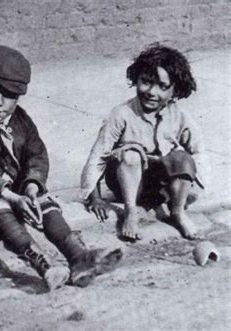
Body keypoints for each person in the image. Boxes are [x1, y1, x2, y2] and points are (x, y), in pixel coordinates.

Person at [0, 45, 123, 291]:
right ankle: (45, 266)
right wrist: (13, 196)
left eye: (9, 97)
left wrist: (32, 188)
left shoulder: (21, 119)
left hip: (12, 195)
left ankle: (78, 256)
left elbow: (36, 155)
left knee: (43, 202)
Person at [80, 43, 207, 241]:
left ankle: (177, 213)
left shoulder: (180, 116)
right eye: (146, 82)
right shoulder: (122, 113)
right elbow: (98, 156)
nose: (151, 92)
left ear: (174, 91)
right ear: (136, 79)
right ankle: (131, 213)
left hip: (161, 185)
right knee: (130, 154)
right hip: (128, 184)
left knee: (182, 159)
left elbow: (198, 151)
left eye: (163, 87)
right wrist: (94, 197)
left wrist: (194, 186)